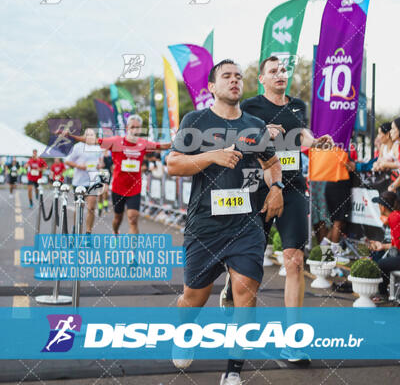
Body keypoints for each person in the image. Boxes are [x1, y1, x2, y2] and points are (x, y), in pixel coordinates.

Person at [167, 59, 283, 385]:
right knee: (193, 297)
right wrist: (211, 156)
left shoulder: (255, 126)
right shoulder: (197, 121)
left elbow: (272, 163)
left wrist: (275, 187)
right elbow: (173, 164)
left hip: (245, 224)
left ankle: (233, 371)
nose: (234, 81)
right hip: (205, 225)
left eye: (238, 77)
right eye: (226, 77)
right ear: (212, 88)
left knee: (246, 293)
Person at [221, 56, 333, 333]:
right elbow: (234, 139)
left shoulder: (297, 106)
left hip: (292, 186)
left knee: (294, 259)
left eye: (283, 70)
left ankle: (293, 335)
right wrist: (260, 133)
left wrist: (315, 141)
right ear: (262, 79)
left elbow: (301, 135)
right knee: (251, 257)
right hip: (257, 186)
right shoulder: (250, 106)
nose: (280, 74)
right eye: (273, 71)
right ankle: (233, 286)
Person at [67, 115, 170, 234]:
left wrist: (179, 142)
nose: (135, 130)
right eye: (132, 127)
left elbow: (162, 146)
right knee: (117, 218)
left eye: (138, 128)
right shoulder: (116, 141)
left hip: (134, 188)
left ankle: (133, 251)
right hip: (118, 187)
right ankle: (115, 231)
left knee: (133, 217)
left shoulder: (143, 143)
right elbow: (93, 141)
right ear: (127, 128)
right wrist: (71, 136)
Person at [65, 129, 103, 234]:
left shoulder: (98, 148)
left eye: (92, 135)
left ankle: (88, 232)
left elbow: (100, 162)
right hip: (79, 182)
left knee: (91, 207)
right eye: (88, 135)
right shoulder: (78, 147)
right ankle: (75, 229)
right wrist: (78, 166)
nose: (90, 137)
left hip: (94, 181)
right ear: (84, 136)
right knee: (79, 208)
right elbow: (67, 161)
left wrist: (100, 166)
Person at [368, 191, 400, 302]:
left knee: (381, 263)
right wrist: (381, 246)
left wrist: (383, 246)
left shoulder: (394, 218)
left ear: (382, 207)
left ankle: (382, 294)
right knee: (380, 258)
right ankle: (384, 293)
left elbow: (397, 245)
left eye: (379, 205)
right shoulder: (394, 216)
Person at [97, 150, 112, 217]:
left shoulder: (110, 154)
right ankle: (100, 208)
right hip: (100, 174)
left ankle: (105, 206)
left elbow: (111, 165)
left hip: (107, 174)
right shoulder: (99, 153)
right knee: (100, 193)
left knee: (105, 191)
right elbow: (99, 165)